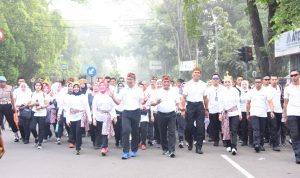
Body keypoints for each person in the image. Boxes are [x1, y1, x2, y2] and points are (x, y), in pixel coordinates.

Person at [110, 72, 145, 159]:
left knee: (135, 132)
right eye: (128, 79)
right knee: (125, 130)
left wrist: (144, 101)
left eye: (131, 79)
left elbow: (142, 101)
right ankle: (125, 152)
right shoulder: (123, 90)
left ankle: (134, 150)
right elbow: (118, 102)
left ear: (134, 80)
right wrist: (112, 97)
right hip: (126, 113)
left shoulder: (138, 90)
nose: (129, 81)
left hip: (136, 112)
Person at [180, 67, 208, 154]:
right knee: (188, 127)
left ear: (200, 74)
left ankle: (199, 147)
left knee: (200, 127)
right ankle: (190, 141)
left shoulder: (203, 84)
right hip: (190, 105)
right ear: (192, 74)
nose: (196, 74)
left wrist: (206, 109)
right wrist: (183, 109)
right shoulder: (188, 84)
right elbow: (183, 98)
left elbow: (205, 98)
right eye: (195, 72)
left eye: (198, 72)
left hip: (200, 106)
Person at [152, 75, 179, 158]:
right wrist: (156, 103)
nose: (166, 83)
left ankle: (172, 150)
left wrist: (180, 108)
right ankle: (165, 148)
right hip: (161, 114)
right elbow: (152, 103)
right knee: (162, 132)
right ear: (162, 83)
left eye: (168, 81)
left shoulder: (174, 91)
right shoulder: (158, 92)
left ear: (170, 82)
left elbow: (177, 102)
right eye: (165, 82)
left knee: (172, 132)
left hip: (171, 114)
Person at [246, 77, 274, 153]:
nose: (257, 83)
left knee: (262, 130)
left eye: (259, 82)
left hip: (263, 113)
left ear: (261, 82)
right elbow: (248, 103)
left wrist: (272, 111)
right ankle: (256, 144)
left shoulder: (266, 91)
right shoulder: (250, 92)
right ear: (254, 83)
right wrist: (247, 113)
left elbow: (270, 101)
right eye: (256, 82)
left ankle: (261, 144)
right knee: (256, 129)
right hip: (254, 113)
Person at [65, 82, 92, 155]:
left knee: (78, 132)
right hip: (72, 117)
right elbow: (67, 108)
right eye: (74, 87)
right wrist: (67, 119)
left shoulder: (83, 96)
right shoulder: (70, 97)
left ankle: (78, 148)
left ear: (79, 88)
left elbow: (87, 107)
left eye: (77, 87)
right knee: (73, 133)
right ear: (72, 88)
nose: (76, 88)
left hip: (80, 116)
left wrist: (90, 118)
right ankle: (75, 142)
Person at [218, 73, 241, 155]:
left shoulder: (235, 90)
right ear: (224, 83)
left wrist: (240, 113)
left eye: (229, 82)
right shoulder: (221, 91)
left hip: (234, 113)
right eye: (226, 82)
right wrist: (220, 114)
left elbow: (238, 102)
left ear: (232, 82)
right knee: (226, 130)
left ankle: (234, 147)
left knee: (234, 130)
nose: (227, 83)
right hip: (225, 113)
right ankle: (228, 144)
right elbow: (220, 103)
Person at [92, 81, 116, 156]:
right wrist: (94, 118)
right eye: (101, 85)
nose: (102, 86)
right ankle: (104, 144)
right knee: (100, 131)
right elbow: (94, 108)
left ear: (106, 86)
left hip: (107, 116)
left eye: (103, 85)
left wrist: (114, 116)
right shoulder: (96, 96)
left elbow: (112, 107)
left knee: (105, 132)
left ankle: (104, 147)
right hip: (99, 115)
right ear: (99, 87)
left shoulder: (109, 95)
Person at [283, 69, 300, 164]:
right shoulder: (288, 88)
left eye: (295, 75)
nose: (293, 77)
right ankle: (298, 156)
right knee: (295, 134)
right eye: (292, 76)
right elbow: (285, 103)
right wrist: (285, 116)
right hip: (292, 113)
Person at [28, 82, 50, 149]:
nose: (38, 86)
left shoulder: (44, 94)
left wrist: (41, 107)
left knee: (41, 128)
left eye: (39, 85)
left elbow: (47, 104)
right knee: (32, 127)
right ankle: (36, 137)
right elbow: (28, 104)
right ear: (34, 86)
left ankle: (40, 143)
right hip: (34, 112)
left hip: (42, 113)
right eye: (36, 85)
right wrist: (33, 104)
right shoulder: (32, 94)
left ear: (41, 87)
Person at [0, 76, 19, 142]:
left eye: (4, 82)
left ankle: (16, 135)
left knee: (11, 121)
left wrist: (14, 107)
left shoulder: (10, 87)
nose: (3, 83)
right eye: (1, 82)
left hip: (8, 105)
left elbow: (12, 98)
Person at [206, 74, 223, 146]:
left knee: (222, 125)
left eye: (217, 78)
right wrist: (206, 109)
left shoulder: (223, 88)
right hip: (212, 109)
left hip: (222, 109)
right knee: (214, 126)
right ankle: (216, 140)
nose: (215, 80)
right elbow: (206, 99)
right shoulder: (209, 89)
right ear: (212, 80)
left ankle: (225, 140)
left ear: (219, 80)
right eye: (214, 78)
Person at [269, 74, 283, 151]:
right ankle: (275, 144)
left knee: (277, 127)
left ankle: (272, 140)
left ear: (277, 80)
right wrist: (271, 111)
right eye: (272, 79)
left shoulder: (279, 87)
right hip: (271, 111)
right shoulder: (268, 89)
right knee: (273, 127)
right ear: (270, 80)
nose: (274, 81)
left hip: (279, 110)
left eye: (275, 79)